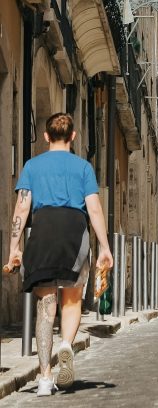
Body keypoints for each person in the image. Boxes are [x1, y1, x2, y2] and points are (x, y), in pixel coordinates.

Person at [6, 113, 113, 397]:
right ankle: (66, 345)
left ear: (45, 136)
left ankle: (44, 377)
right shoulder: (83, 167)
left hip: (43, 229)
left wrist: (14, 248)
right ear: (73, 136)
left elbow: (21, 209)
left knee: (46, 303)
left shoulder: (32, 166)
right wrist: (104, 246)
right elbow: (94, 208)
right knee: (72, 297)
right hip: (74, 230)